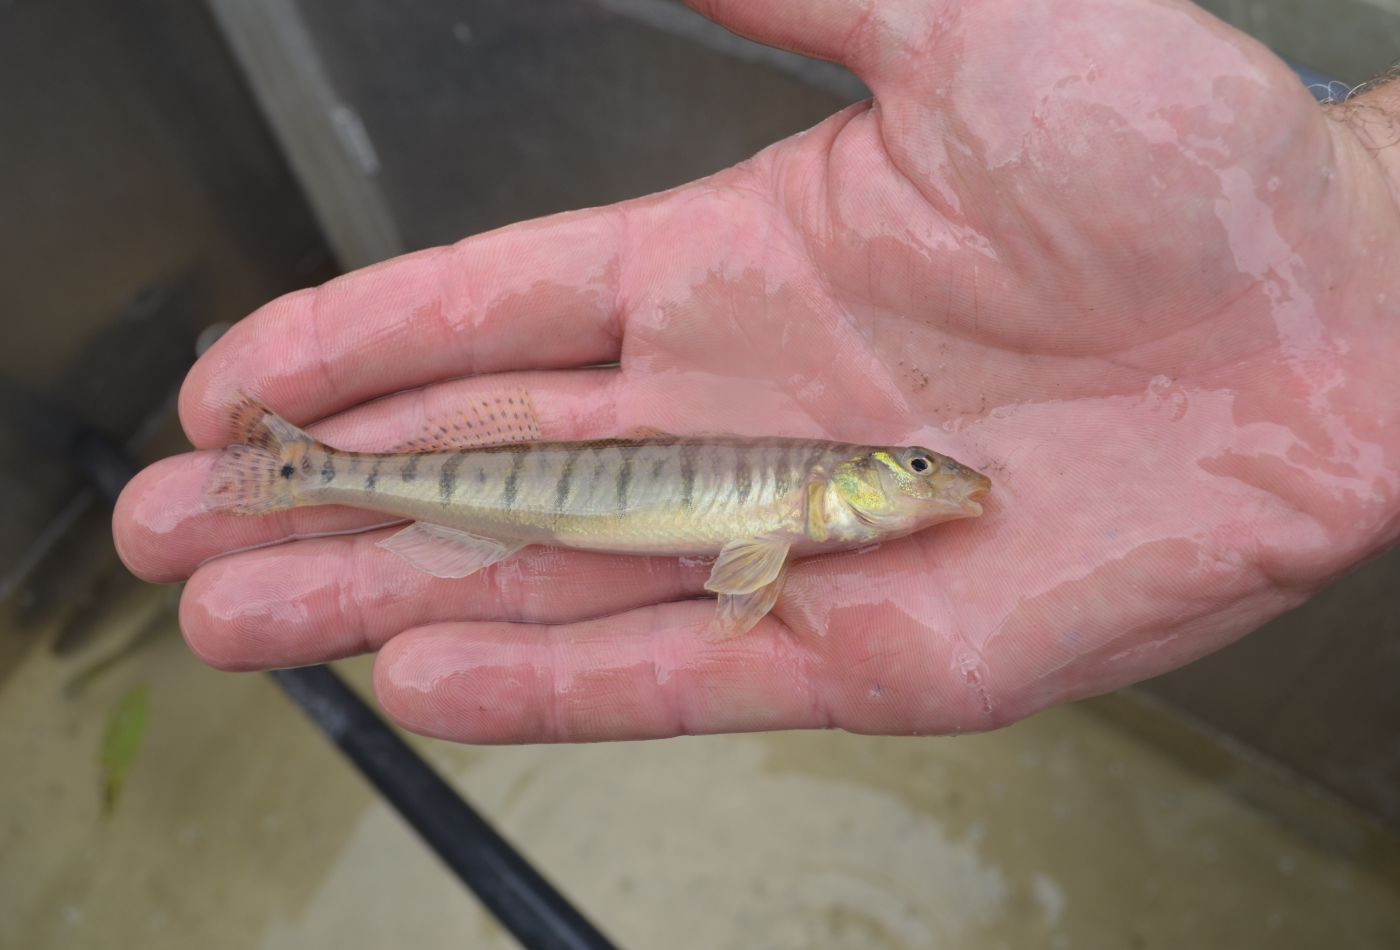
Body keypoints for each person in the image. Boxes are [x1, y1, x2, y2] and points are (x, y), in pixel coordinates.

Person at [113, 0, 1400, 744]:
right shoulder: (799, 509)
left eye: (917, 470)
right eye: (911, 469)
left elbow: (755, 567)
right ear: (850, 481)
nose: (932, 482)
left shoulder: (806, 517)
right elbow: (753, 563)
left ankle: (303, 472)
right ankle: (299, 471)